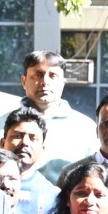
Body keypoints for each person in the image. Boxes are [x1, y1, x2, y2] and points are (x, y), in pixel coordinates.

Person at [13, 49, 98, 183]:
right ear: (24, 81)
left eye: (52, 76)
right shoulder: (0, 127)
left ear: (63, 83)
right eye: (38, 75)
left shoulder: (85, 128)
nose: (45, 82)